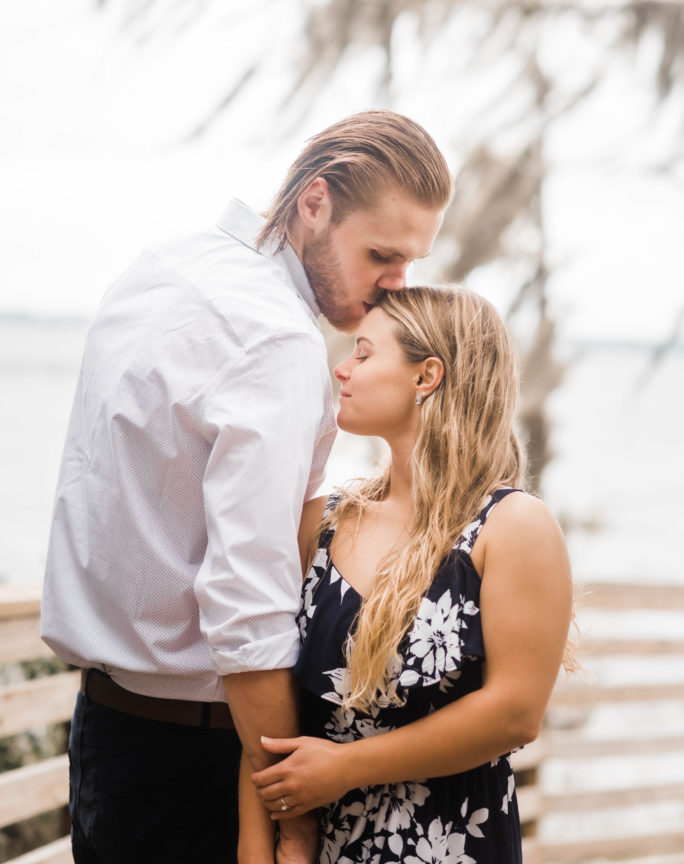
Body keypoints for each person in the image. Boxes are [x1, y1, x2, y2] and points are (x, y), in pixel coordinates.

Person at [40, 110, 453, 864]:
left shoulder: (164, 266)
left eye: (411, 264)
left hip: (104, 730)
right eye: (381, 257)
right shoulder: (276, 339)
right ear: (315, 203)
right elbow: (247, 600)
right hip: (190, 762)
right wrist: (288, 813)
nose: (395, 288)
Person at [248, 285, 575, 864]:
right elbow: (261, 700)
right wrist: (266, 845)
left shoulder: (512, 526)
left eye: (365, 354)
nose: (342, 370)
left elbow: (515, 714)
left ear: (427, 377)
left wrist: (343, 769)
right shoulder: (320, 523)